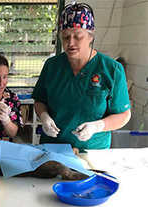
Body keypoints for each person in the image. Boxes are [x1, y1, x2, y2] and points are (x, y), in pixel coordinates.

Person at [32, 3, 131, 152]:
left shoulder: (111, 69)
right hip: (54, 147)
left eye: (78, 36)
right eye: (65, 37)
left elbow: (123, 114)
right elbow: (40, 100)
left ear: (91, 36)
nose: (70, 43)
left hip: (92, 151)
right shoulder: (52, 66)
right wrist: (44, 116)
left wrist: (98, 126)